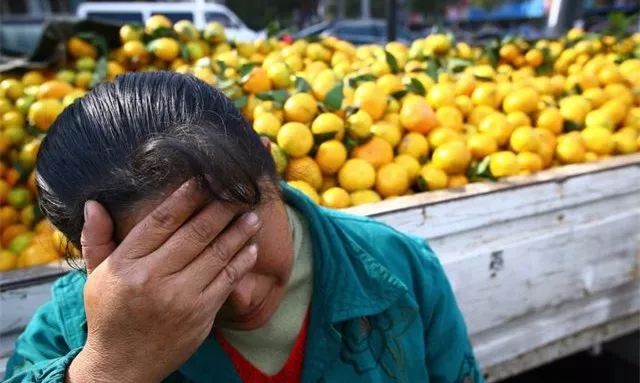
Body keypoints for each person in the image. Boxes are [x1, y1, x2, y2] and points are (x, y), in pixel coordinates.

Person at [5, 72, 483, 383]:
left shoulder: (398, 270)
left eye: (240, 236)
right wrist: (108, 369)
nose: (240, 296)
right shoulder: (68, 333)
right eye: (181, 268)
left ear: (268, 166)